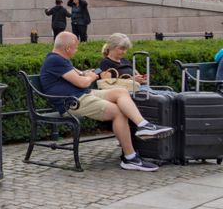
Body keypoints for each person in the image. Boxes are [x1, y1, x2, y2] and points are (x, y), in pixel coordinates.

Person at [40, 32, 172, 171]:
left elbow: (80, 75)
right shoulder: (55, 61)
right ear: (67, 48)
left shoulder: (59, 60)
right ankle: (130, 158)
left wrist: (87, 74)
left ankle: (144, 125)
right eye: (75, 48)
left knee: (121, 91)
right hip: (73, 102)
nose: (76, 51)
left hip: (83, 95)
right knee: (118, 112)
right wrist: (90, 77)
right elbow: (82, 82)